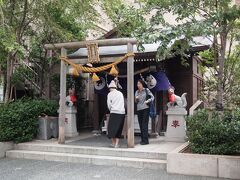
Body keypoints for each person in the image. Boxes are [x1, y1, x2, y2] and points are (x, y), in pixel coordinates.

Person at [135, 79, 154, 145]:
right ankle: (142, 139)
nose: (138, 85)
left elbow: (152, 97)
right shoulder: (136, 92)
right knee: (140, 125)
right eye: (137, 84)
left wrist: (148, 100)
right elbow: (136, 102)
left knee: (144, 124)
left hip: (146, 108)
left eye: (139, 84)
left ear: (142, 84)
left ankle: (146, 140)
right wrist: (136, 99)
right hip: (139, 109)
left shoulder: (146, 90)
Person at [107, 80, 125, 148]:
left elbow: (109, 105)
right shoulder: (120, 93)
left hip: (114, 112)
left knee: (111, 128)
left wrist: (111, 110)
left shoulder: (109, 94)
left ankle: (113, 143)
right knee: (119, 128)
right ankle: (117, 144)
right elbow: (123, 103)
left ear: (110, 88)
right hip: (121, 112)